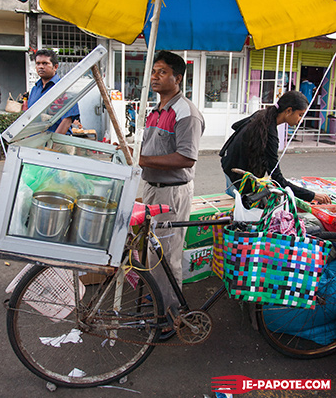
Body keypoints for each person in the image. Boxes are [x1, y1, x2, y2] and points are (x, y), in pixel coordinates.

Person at [133, 50, 205, 319]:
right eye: (153, 71)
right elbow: (150, 151)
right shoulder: (155, 110)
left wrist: (142, 158)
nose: (155, 77)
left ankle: (170, 317)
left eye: (162, 72)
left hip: (172, 193)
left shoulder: (186, 113)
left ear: (178, 78)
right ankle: (157, 306)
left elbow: (186, 157)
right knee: (152, 254)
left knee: (166, 256)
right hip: (152, 188)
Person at [219, 90, 330, 204]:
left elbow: (235, 126)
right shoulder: (270, 135)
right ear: (288, 111)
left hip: (227, 166)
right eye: (300, 115)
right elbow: (277, 178)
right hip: (237, 181)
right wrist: (312, 195)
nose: (300, 120)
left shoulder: (261, 114)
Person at [27, 49, 79, 134]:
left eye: (45, 63)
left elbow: (67, 121)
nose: (41, 67)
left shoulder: (64, 89)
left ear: (55, 67)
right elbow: (29, 117)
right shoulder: (35, 89)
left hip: (56, 143)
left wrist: (52, 144)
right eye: (38, 63)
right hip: (35, 141)